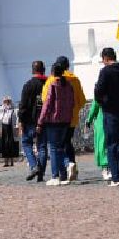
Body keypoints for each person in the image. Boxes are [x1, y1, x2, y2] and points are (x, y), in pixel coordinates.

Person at [93, 47, 119, 185]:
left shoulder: (105, 71)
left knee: (111, 143)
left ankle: (115, 176)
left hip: (110, 111)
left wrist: (102, 103)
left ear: (105, 58)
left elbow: (98, 90)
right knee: (118, 141)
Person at [38, 57, 76, 185]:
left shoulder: (53, 85)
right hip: (66, 120)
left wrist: (40, 121)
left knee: (54, 148)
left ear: (53, 72)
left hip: (53, 121)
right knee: (60, 147)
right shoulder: (69, 85)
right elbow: (72, 102)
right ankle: (64, 174)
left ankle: (55, 176)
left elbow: (47, 104)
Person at [19, 60, 48, 181]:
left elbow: (23, 105)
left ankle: (33, 165)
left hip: (30, 120)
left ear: (32, 70)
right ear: (44, 69)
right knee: (42, 147)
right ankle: (40, 174)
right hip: (44, 119)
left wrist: (21, 120)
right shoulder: (48, 83)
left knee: (26, 143)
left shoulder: (28, 85)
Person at [0, 97, 20, 166]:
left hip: (11, 127)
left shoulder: (14, 109)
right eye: (5, 101)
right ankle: (6, 162)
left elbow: (17, 118)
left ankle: (12, 161)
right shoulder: (1, 109)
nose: (6, 103)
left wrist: (17, 127)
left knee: (11, 144)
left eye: (8, 101)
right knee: (4, 144)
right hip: (4, 127)